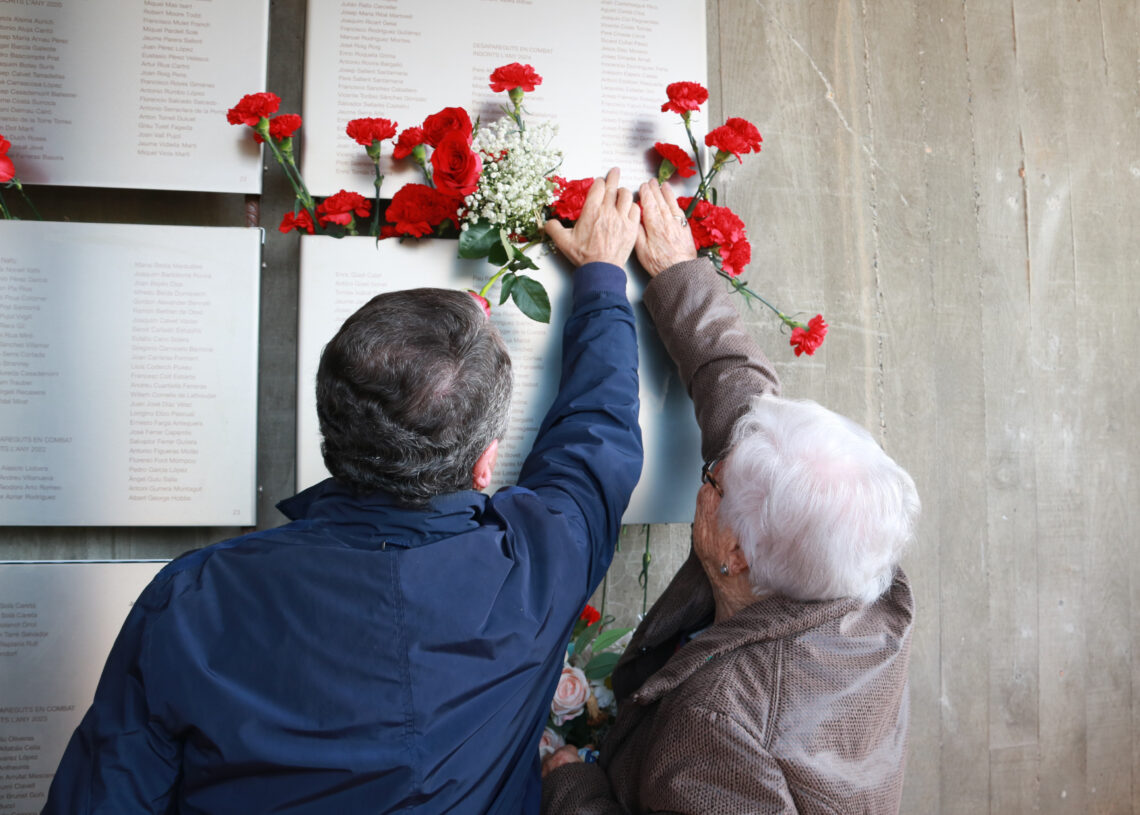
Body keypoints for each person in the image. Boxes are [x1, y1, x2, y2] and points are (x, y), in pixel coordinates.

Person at [43, 169, 644, 814]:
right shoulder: (539, 567)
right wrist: (604, 278)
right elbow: (594, 441)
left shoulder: (194, 597)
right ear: (485, 464)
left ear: (331, 432)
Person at [541, 179, 921, 814]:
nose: (706, 478)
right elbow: (752, 415)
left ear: (737, 553)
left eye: (712, 481)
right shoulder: (856, 566)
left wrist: (569, 786)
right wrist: (680, 275)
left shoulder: (717, 726)